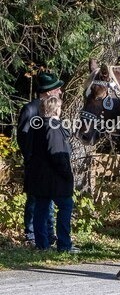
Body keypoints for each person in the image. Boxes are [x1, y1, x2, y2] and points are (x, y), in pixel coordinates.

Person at [16, 71, 64, 245]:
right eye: (58, 89)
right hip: (36, 164)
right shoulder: (30, 109)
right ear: (49, 91)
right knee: (34, 200)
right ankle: (31, 234)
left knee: (47, 201)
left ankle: (49, 234)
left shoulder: (53, 108)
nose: (60, 92)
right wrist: (31, 159)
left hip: (50, 165)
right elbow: (23, 137)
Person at [26, 94, 78, 252]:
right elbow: (58, 154)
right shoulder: (53, 128)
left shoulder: (38, 126)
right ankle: (64, 244)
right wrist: (67, 174)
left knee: (41, 209)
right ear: (56, 109)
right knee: (65, 207)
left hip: (40, 177)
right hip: (55, 179)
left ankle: (42, 244)